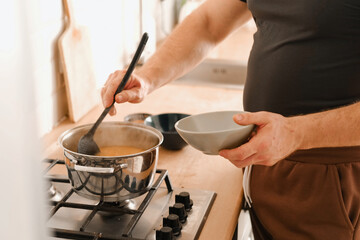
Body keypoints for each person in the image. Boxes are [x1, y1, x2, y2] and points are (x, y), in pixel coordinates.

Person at [101, 0, 360, 239]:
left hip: (330, 183)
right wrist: (148, 77)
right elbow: (209, 24)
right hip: (264, 167)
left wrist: (295, 133)